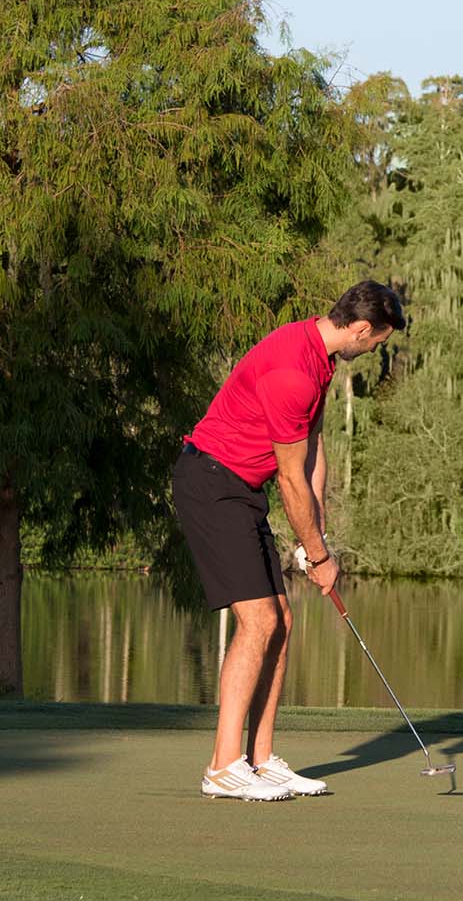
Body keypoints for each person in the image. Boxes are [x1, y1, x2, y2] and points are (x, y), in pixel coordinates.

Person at [173, 280, 406, 801]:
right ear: (362, 329)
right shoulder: (292, 372)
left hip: (240, 488)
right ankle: (222, 767)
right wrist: (319, 556)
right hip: (211, 483)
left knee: (282, 619)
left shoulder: (319, 358)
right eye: (378, 342)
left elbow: (313, 447)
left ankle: (260, 760)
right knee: (258, 621)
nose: (375, 351)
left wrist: (314, 534)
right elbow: (290, 477)